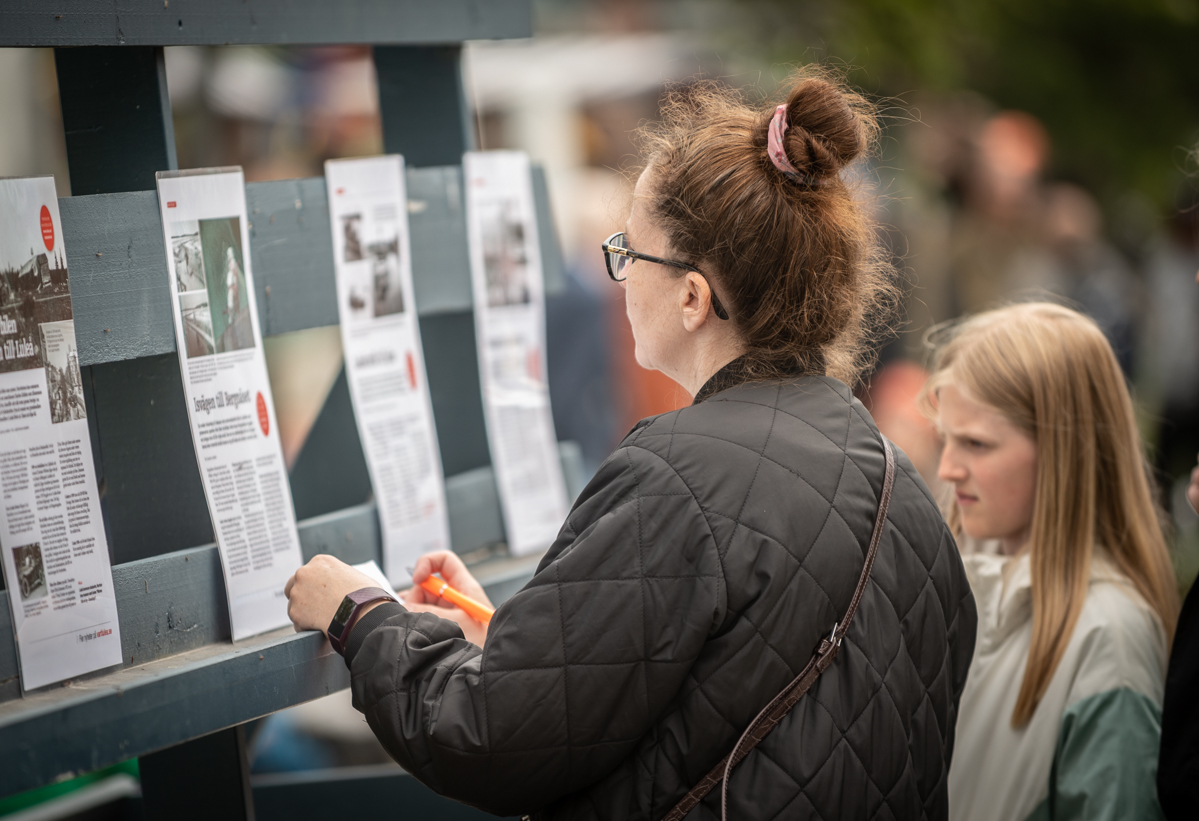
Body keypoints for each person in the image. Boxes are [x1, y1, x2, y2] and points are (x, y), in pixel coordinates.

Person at [285, 69, 977, 820]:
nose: (618, 276)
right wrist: (513, 636)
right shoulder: (899, 485)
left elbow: (486, 736)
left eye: (630, 251)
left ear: (692, 296)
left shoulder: (676, 474)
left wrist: (359, 616)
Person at [926, 303, 1179, 821]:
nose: (948, 469)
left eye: (976, 444)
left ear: (1065, 452)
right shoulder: (953, 585)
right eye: (945, 440)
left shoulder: (1109, 637)